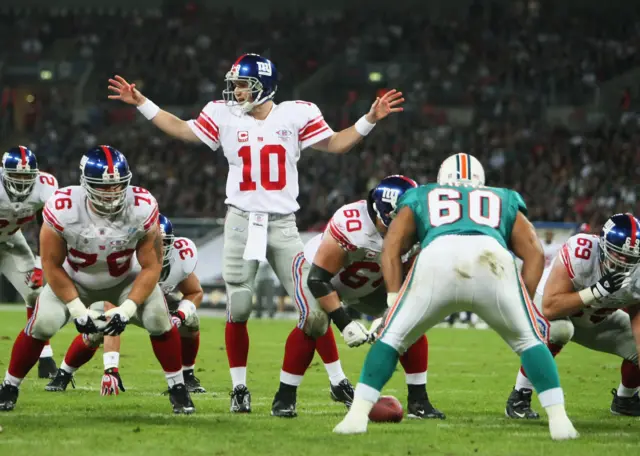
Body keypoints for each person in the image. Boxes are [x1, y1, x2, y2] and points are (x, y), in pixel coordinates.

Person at [108, 53, 405, 413]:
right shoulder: (223, 113)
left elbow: (337, 144)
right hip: (240, 220)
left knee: (313, 312)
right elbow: (184, 129)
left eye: (242, 84)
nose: (235, 90)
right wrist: (142, 102)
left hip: (282, 223)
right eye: (234, 84)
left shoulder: (297, 113)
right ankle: (239, 389)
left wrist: (369, 119)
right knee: (240, 306)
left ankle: (298, 391)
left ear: (263, 87)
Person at [333, 153, 578, 440]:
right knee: (530, 341)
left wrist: (392, 297)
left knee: (392, 339)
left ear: (441, 179)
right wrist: (523, 297)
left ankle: (357, 416)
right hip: (492, 257)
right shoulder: (502, 198)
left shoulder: (423, 195)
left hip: (439, 256)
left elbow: (392, 247)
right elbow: (534, 251)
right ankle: (559, 420)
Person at [0, 146, 195, 414]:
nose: (112, 193)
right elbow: (51, 265)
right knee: (42, 324)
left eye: (117, 186)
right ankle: (9, 386)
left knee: (159, 319)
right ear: (85, 183)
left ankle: (178, 388)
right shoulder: (63, 206)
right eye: (102, 187)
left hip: (125, 278)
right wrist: (77, 310)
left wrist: (127, 310)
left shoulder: (143, 205)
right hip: (74, 278)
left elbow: (151, 266)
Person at [271, 175, 444, 419]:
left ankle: (419, 401)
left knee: (410, 319)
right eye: (394, 222)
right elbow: (318, 279)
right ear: (377, 212)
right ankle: (284, 397)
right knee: (314, 320)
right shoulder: (351, 224)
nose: (401, 229)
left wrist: (389, 316)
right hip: (326, 276)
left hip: (372, 284)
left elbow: (412, 285)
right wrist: (345, 324)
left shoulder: (418, 229)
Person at [45, 214, 206, 396]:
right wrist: (111, 368)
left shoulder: (181, 257)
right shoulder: (127, 260)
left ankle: (188, 375)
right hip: (122, 303)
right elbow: (110, 307)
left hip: (157, 306)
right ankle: (63, 373)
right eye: (153, 242)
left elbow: (194, 291)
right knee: (97, 329)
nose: (159, 248)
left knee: (192, 321)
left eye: (163, 242)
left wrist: (181, 315)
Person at [505, 213, 640, 418]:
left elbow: (636, 314)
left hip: (595, 319)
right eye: (618, 255)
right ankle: (519, 395)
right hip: (552, 310)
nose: (623, 264)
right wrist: (595, 291)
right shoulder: (582, 252)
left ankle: (625, 399)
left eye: (630, 258)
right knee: (560, 330)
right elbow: (551, 307)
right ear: (603, 247)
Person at [0, 146, 59, 378]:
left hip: (11, 243)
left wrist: (39, 262)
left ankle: (44, 356)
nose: (22, 181)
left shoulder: (45, 186)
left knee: (36, 294)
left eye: (27, 176)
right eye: (16, 175)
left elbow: (52, 227)